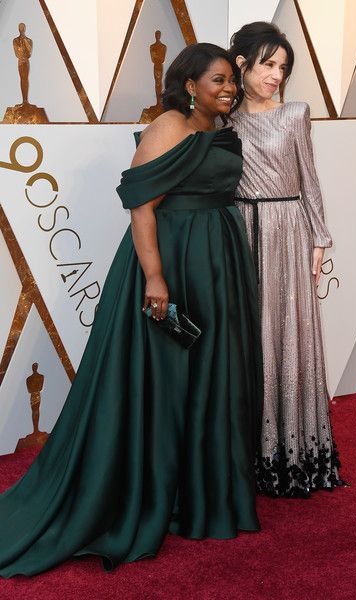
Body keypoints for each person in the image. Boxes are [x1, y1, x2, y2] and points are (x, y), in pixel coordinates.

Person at [0, 43, 263, 577]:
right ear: (189, 85)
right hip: (171, 265)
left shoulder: (221, 129)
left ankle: (203, 497)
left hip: (219, 265)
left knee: (215, 379)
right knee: (163, 383)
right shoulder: (169, 125)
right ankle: (148, 493)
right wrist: (156, 278)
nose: (230, 87)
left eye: (233, 79)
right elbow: (142, 206)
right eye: (218, 80)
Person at [228, 22, 343, 497]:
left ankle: (291, 456)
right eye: (268, 64)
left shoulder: (296, 113)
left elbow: (308, 178)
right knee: (245, 339)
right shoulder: (222, 120)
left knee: (287, 335)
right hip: (237, 232)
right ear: (242, 63)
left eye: (283, 67)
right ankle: (243, 456)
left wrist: (319, 237)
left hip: (287, 231)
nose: (277, 75)